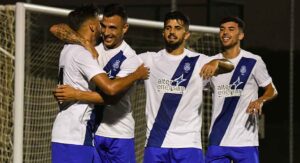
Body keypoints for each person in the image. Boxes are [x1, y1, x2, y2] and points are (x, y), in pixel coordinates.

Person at [50, 4, 148, 163]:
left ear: (125, 28)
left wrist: (76, 94)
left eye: (113, 28)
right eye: (103, 26)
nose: (107, 32)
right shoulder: (88, 50)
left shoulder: (130, 59)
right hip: (92, 132)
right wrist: (85, 42)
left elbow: (112, 96)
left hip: (118, 135)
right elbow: (55, 28)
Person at [138, 11, 233, 163]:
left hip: (189, 144)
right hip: (156, 143)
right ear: (163, 33)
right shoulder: (149, 59)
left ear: (186, 34)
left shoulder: (199, 61)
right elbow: (124, 61)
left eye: (177, 28)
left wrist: (217, 62)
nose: (172, 32)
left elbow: (230, 66)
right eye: (168, 28)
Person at [205, 17, 278, 163]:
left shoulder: (253, 61)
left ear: (241, 35)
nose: (225, 33)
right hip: (218, 140)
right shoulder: (210, 63)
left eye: (231, 29)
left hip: (246, 141)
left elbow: (272, 90)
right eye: (222, 29)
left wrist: (260, 100)